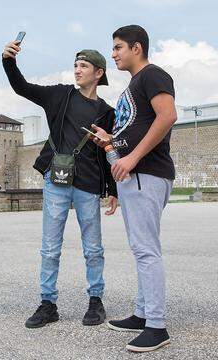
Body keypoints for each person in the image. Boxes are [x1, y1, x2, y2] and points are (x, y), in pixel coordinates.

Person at [2, 38, 118, 328]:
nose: (77, 70)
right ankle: (48, 304)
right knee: (50, 247)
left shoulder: (107, 111)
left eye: (84, 66)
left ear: (98, 73)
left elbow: (107, 151)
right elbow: (22, 87)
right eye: (75, 65)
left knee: (93, 247)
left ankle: (95, 301)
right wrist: (8, 61)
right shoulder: (60, 96)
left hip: (89, 184)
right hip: (56, 181)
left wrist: (113, 190)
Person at [91, 25, 177, 352]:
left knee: (146, 250)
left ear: (136, 47)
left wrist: (133, 159)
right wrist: (110, 144)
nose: (113, 54)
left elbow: (167, 116)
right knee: (141, 248)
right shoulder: (133, 85)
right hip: (134, 175)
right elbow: (127, 140)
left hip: (147, 173)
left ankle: (156, 326)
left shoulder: (153, 75)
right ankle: (142, 314)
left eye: (117, 48)